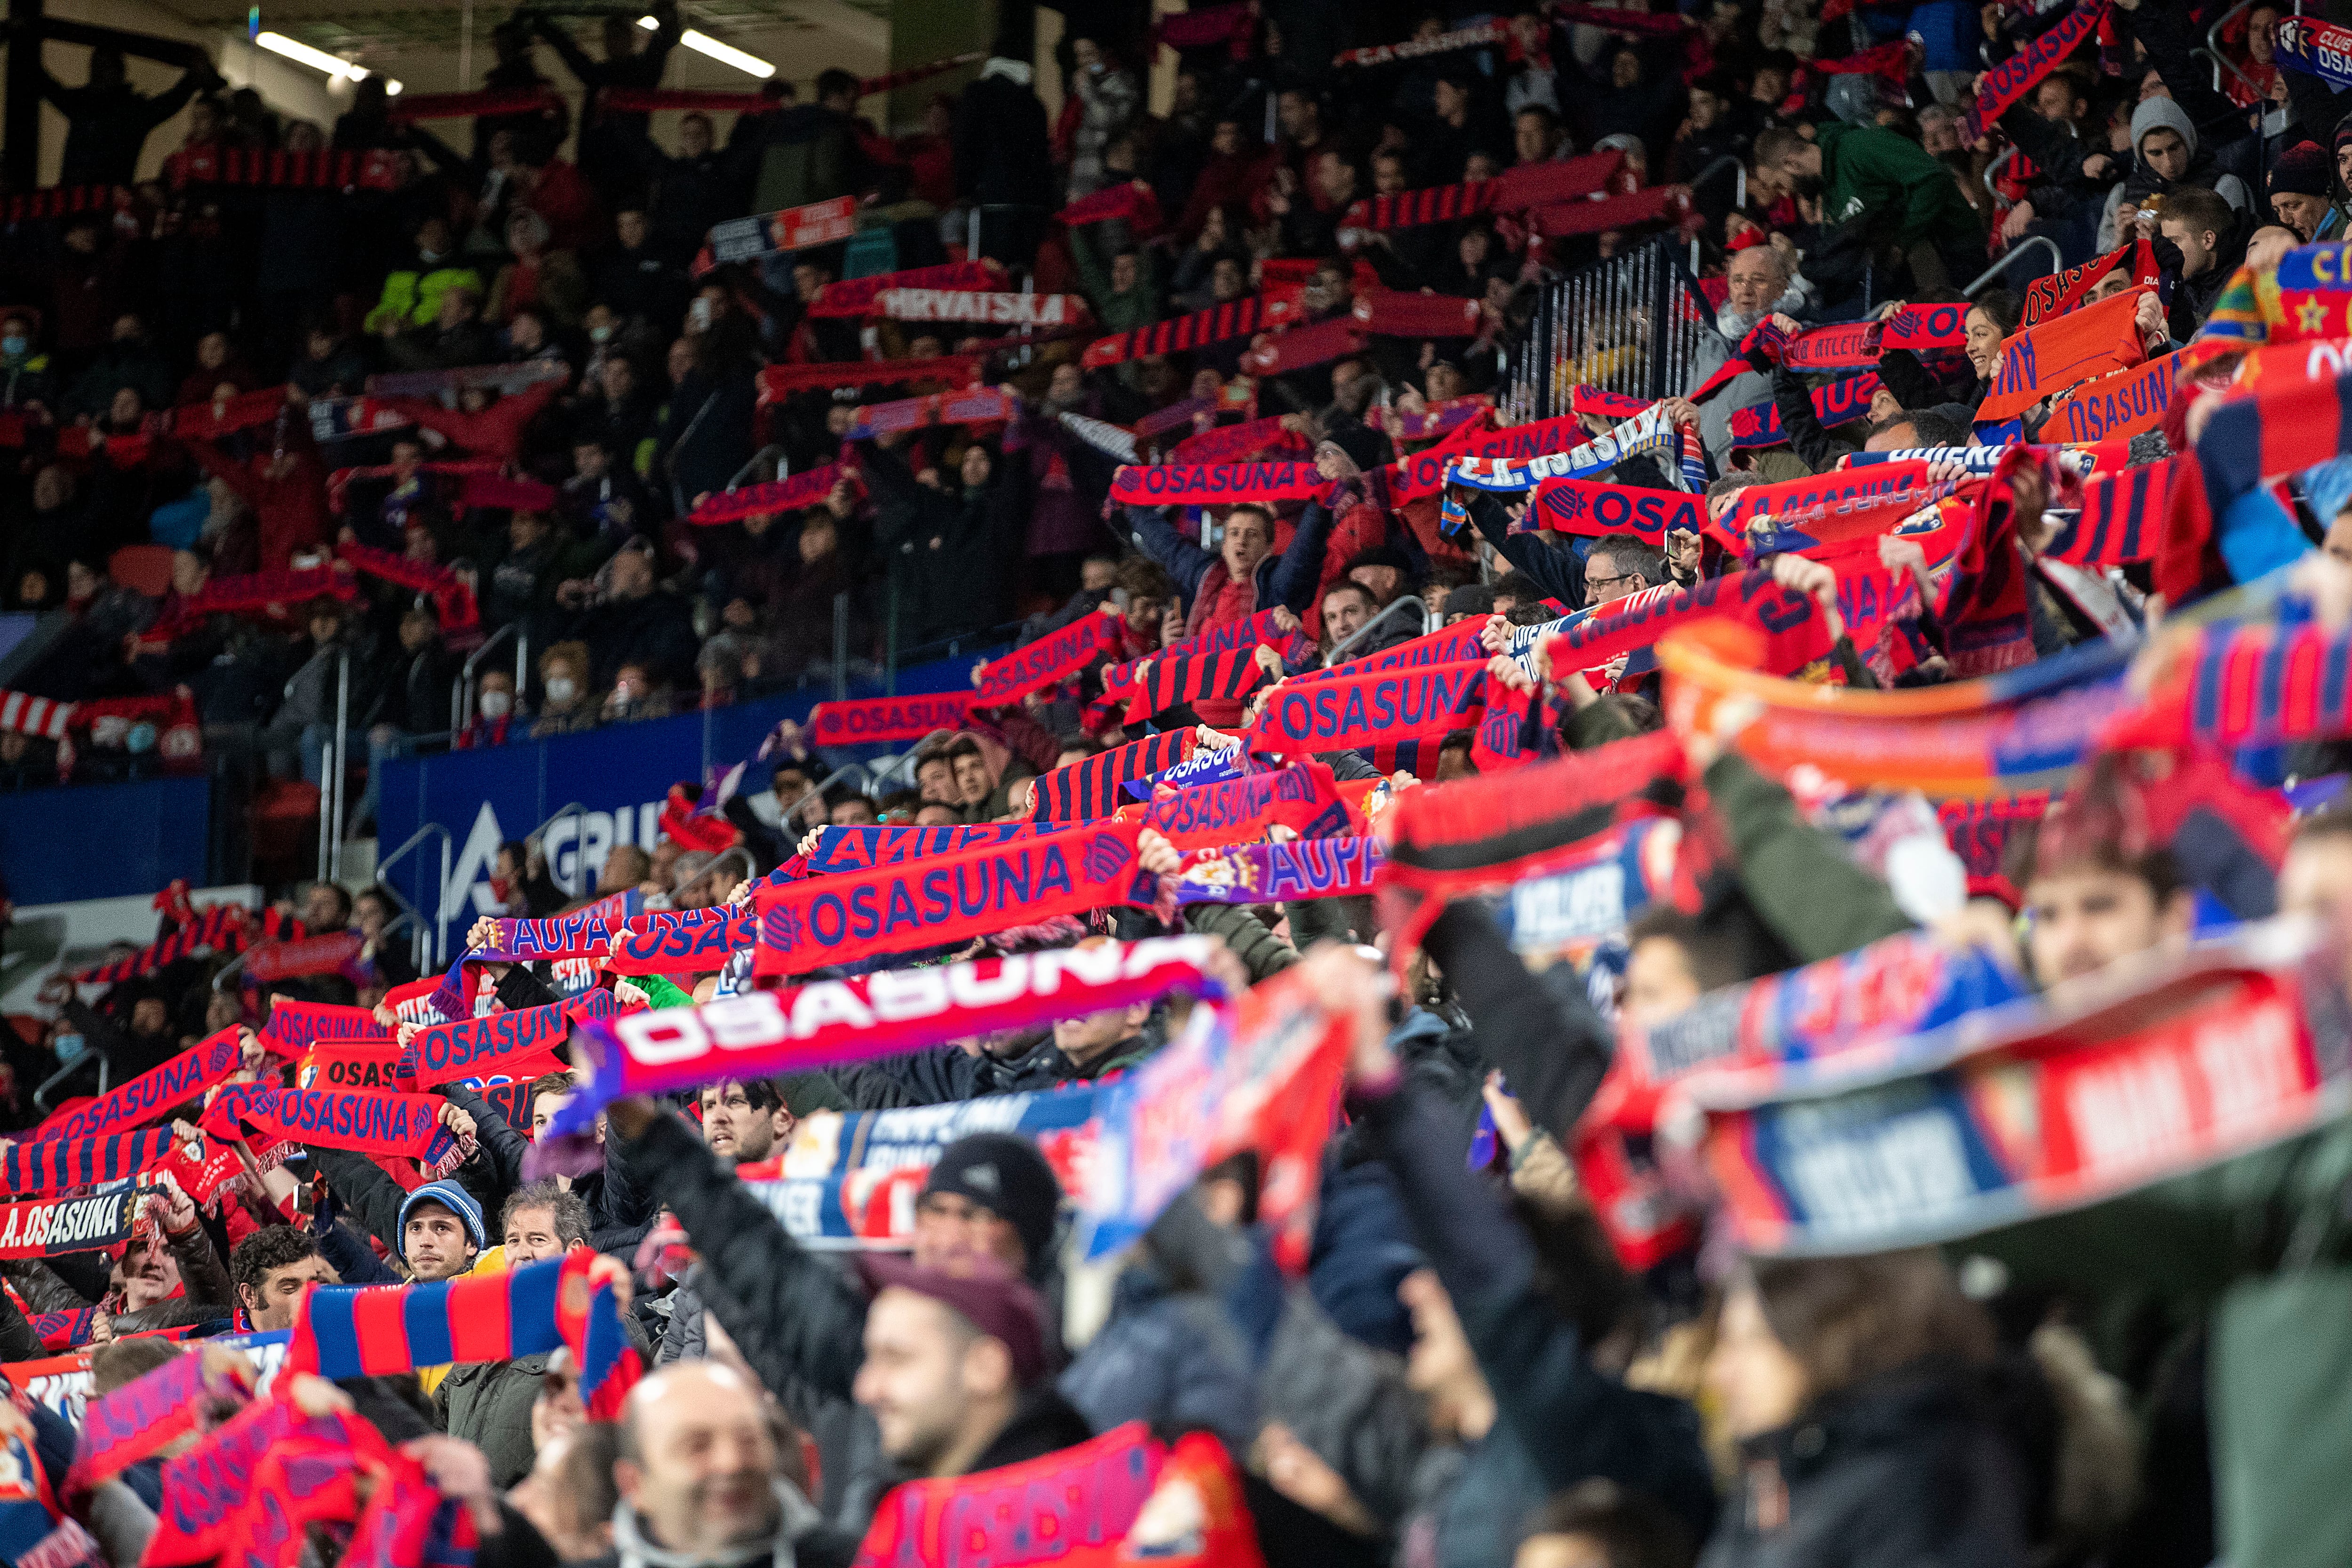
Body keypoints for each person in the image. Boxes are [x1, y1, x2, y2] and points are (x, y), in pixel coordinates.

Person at [852, 1254, 1089, 1477]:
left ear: (985, 1368)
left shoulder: (1053, 1513)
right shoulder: (917, 1505)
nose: (865, 1390)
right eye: (871, 1358)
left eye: (896, 1358)